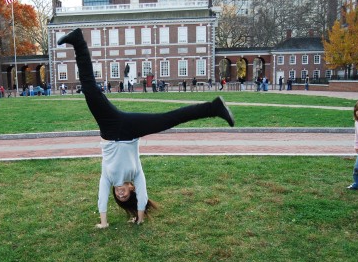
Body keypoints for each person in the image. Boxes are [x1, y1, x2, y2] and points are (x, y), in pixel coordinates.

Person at [57, 28, 235, 228]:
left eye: (118, 196)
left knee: (89, 89)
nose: (120, 193)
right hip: (131, 130)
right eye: (125, 195)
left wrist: (104, 222)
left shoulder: (108, 176)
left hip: (110, 128)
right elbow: (143, 195)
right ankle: (214, 108)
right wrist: (140, 217)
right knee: (170, 119)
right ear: (131, 189)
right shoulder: (136, 175)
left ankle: (78, 42)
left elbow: (101, 196)